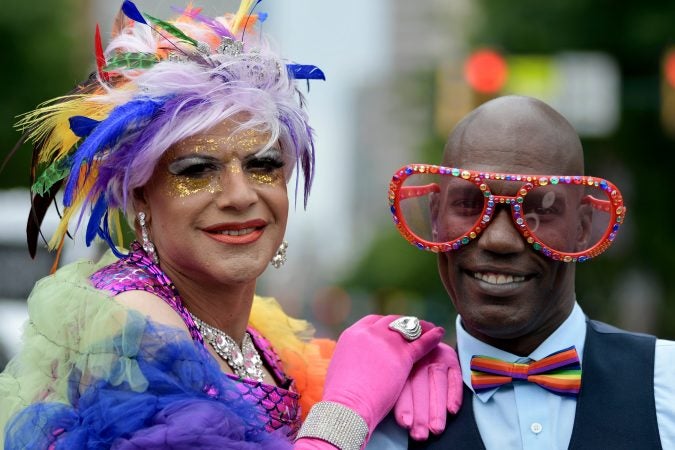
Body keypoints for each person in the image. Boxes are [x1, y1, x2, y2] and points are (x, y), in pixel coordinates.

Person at [0, 2, 462, 449]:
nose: (241, 195)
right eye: (197, 170)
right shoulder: (134, 323)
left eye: (264, 164)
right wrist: (347, 409)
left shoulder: (259, 337)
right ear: (141, 192)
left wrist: (415, 363)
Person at [381, 95, 675, 449]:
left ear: (582, 227)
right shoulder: (385, 410)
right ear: (435, 218)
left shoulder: (666, 384)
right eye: (468, 204)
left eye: (542, 206)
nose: (500, 239)